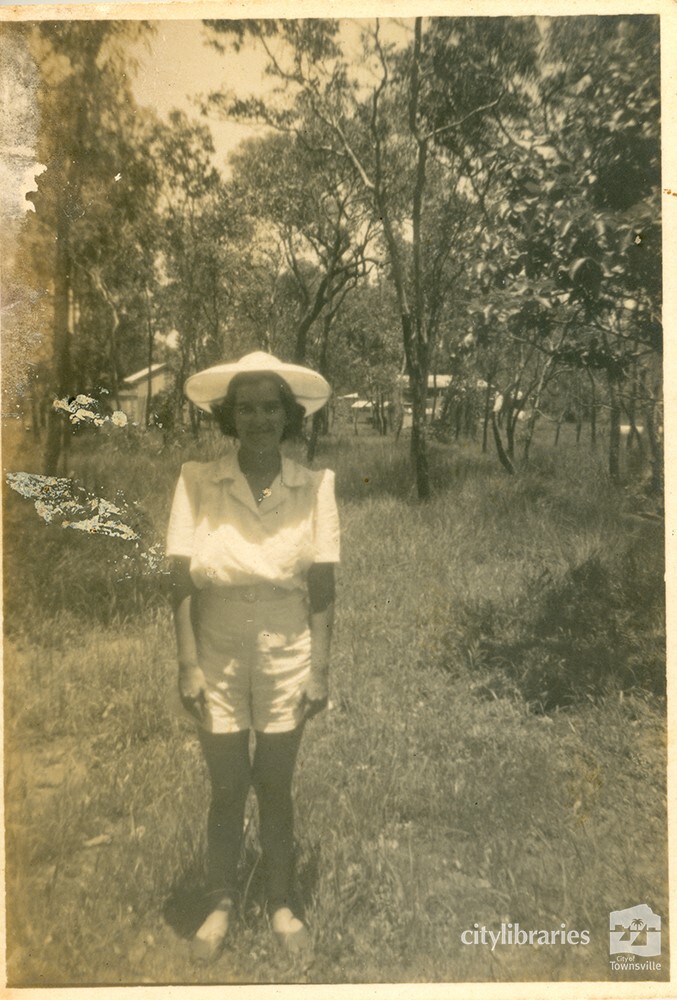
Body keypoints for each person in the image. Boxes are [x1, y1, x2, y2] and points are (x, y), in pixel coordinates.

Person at [166, 351, 339, 964]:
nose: (259, 418)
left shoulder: (314, 486)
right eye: (247, 408)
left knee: (274, 782)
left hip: (285, 644)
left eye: (271, 407)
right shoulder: (196, 480)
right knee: (226, 785)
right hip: (216, 643)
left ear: (288, 415)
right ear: (230, 416)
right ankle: (219, 902)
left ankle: (281, 903)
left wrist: (318, 668)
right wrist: (188, 663)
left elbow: (322, 585)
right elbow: (180, 579)